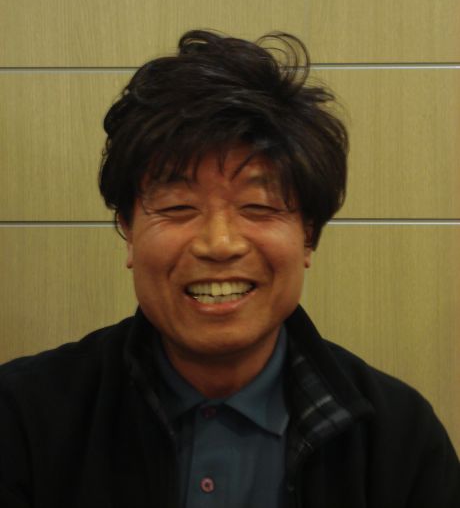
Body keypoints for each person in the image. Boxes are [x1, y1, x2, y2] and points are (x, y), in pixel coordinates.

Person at [0, 30, 458, 508]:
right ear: (128, 231)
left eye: (258, 207)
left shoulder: (399, 439)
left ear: (308, 234)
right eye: (177, 207)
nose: (219, 243)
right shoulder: (22, 420)